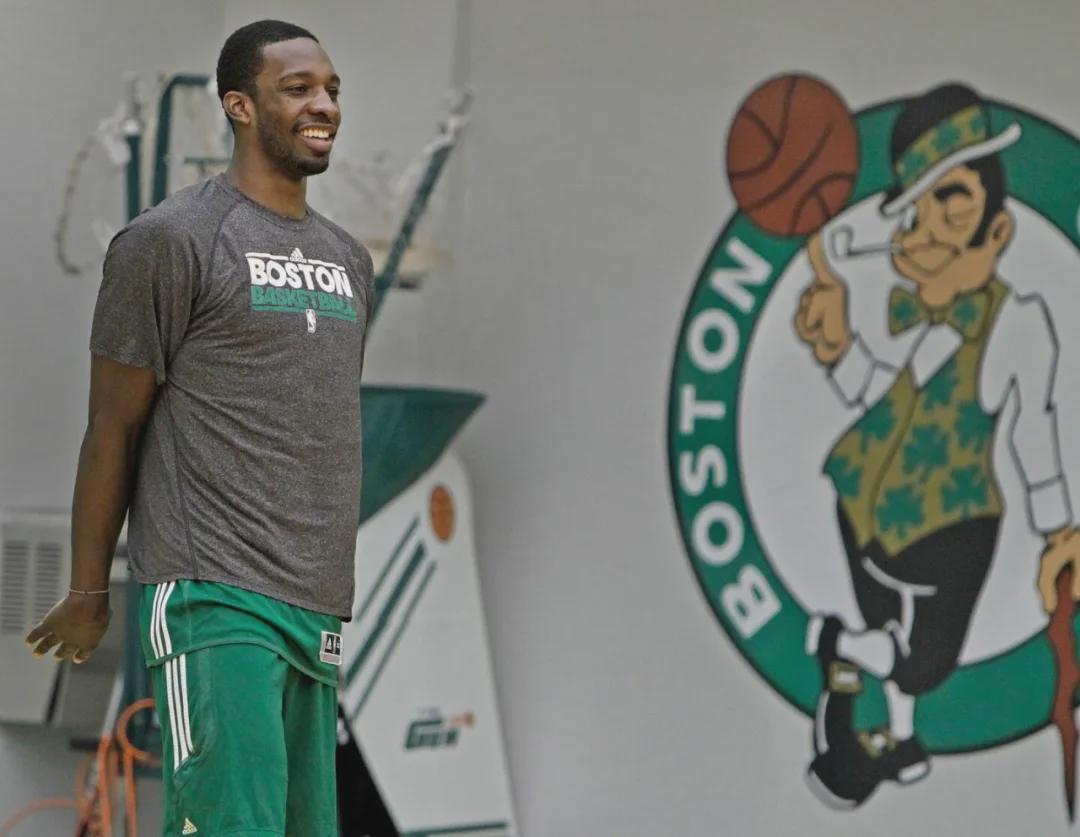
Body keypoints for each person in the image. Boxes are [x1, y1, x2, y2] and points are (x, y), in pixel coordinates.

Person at [25, 19, 374, 836]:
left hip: (316, 602)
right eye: (298, 89)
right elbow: (112, 426)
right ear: (239, 106)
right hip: (212, 591)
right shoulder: (169, 240)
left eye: (331, 90)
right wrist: (88, 590)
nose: (324, 105)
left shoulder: (349, 259)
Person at [794, 82, 1080, 808]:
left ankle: (871, 696)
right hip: (880, 503)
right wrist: (835, 346)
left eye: (950, 204)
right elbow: (882, 398)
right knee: (905, 645)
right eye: (916, 212)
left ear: (998, 230)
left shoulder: (1016, 323)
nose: (924, 233)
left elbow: (1036, 429)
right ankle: (862, 676)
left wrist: (1059, 533)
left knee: (916, 654)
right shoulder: (924, 322)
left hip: (928, 514)